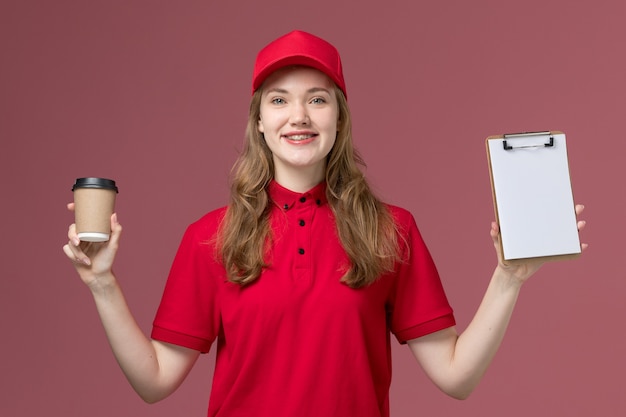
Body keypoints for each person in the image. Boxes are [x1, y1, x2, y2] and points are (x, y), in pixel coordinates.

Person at [63, 30, 587, 417]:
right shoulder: (209, 237)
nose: (299, 116)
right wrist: (103, 284)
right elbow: (154, 381)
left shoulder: (391, 230)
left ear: (338, 118)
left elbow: (456, 377)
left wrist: (509, 278)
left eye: (317, 99)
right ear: (260, 123)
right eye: (279, 101)